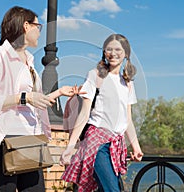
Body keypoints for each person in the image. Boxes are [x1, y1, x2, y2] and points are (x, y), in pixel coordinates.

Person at [0, 6, 81, 192]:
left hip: (30, 140)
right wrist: (24, 98)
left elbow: (32, 102)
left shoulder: (30, 61)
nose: (39, 32)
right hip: (2, 141)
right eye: (38, 26)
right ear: (26, 26)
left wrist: (58, 93)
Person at [60, 34, 144, 192]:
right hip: (97, 143)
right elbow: (84, 114)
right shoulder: (95, 76)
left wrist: (136, 147)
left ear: (126, 53)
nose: (113, 53)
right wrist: (70, 147)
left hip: (116, 145)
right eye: (109, 49)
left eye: (118, 49)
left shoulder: (127, 83)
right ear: (104, 53)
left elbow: (128, 120)